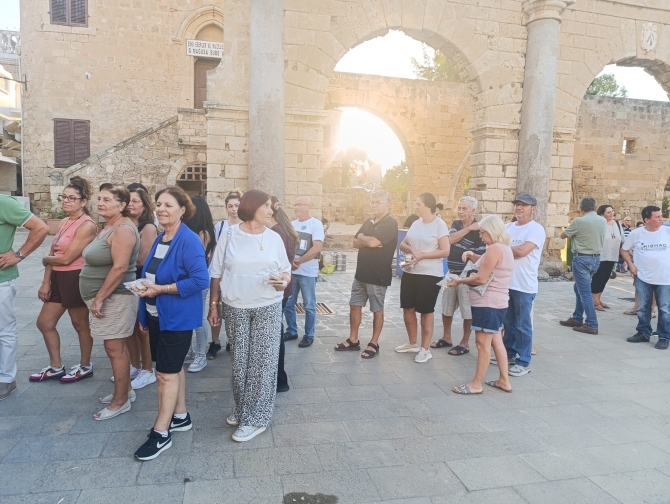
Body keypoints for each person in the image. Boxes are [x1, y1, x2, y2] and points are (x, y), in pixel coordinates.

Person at [208, 189, 291, 442]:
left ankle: (256, 418)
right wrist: (214, 305)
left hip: (268, 305)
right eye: (266, 206)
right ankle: (243, 408)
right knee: (240, 364)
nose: (270, 210)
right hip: (235, 306)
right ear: (252, 207)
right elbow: (216, 271)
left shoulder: (274, 237)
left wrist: (283, 281)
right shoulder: (230, 234)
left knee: (263, 364)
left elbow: (285, 270)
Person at [133, 187, 209, 460]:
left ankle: (161, 433)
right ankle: (181, 416)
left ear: (182, 210)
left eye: (168, 205)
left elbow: (201, 280)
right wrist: (145, 293)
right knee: (172, 369)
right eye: (159, 204)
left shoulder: (187, 240)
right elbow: (153, 273)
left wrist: (160, 290)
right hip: (157, 315)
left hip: (176, 318)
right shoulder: (162, 237)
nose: (161, 209)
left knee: (164, 374)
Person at [80, 184, 139, 420]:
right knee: (116, 348)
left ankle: (120, 401)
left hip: (115, 299)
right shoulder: (109, 227)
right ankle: (127, 391)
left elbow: (120, 267)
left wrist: (100, 298)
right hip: (106, 298)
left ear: (122, 205)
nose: (100, 203)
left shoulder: (123, 229)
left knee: (114, 349)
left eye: (107, 199)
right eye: (100, 198)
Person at [31, 177, 97, 384]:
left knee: (80, 324)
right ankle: (56, 367)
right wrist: (46, 281)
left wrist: (44, 259)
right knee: (44, 323)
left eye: (72, 198)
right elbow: (54, 251)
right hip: (58, 276)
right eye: (64, 197)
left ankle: (85, 366)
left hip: (74, 277)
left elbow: (68, 258)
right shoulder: (64, 221)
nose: (66, 201)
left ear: (83, 201)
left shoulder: (87, 225)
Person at [449, 215, 514, 395]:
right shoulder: (504, 248)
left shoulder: (493, 248)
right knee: (496, 341)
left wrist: (459, 280)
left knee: (482, 344)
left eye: (483, 232)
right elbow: (487, 263)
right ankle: (504, 380)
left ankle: (476, 384)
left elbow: (481, 278)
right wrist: (472, 256)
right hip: (498, 302)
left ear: (492, 231)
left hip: (488, 304)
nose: (481, 237)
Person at [334, 190, 398, 358]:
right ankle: (353, 339)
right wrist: (365, 238)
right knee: (354, 306)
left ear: (388, 205)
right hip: (360, 274)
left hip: (378, 275)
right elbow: (355, 242)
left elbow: (373, 241)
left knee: (377, 309)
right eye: (372, 202)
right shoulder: (368, 222)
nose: (374, 205)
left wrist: (367, 240)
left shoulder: (390, 223)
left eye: (378, 202)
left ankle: (374, 343)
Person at [0, 195, 49, 399]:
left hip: (1, 279)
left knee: (3, 329)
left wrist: (18, 255)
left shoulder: (3, 202)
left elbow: (41, 227)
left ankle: (6, 379)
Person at [395, 193, 450, 363]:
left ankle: (425, 349)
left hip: (430, 274)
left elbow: (445, 250)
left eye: (418, 203)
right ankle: (412, 343)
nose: (416, 206)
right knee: (408, 309)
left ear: (427, 206)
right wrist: (413, 251)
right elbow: (404, 244)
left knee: (426, 312)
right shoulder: (415, 223)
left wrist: (423, 255)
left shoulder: (439, 225)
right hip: (411, 271)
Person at [430, 196, 485, 355]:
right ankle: (446, 337)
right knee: (446, 307)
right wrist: (468, 228)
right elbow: (450, 240)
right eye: (459, 208)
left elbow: (481, 255)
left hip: (467, 276)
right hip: (451, 272)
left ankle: (465, 343)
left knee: (467, 311)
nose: (460, 211)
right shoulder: (456, 224)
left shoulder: (480, 230)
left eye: (464, 209)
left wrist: (470, 252)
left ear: (473, 210)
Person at [502, 193, 546, 377]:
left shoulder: (536, 229)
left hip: (524, 285)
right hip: (505, 283)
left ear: (533, 209)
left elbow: (522, 251)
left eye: (524, 205)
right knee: (508, 322)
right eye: (517, 204)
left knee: (523, 325)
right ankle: (509, 354)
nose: (519, 208)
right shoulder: (507, 227)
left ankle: (524, 361)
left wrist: (501, 248)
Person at [621, 205, 670, 350]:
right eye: (657, 217)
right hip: (642, 277)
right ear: (647, 219)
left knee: (665, 308)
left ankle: (664, 336)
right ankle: (643, 332)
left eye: (661, 216)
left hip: (665, 278)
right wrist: (631, 265)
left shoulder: (667, 232)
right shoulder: (636, 234)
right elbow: (624, 250)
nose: (661, 219)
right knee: (643, 307)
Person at [124, 186, 158, 389]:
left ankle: (147, 369)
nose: (131, 204)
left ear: (145, 205)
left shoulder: (148, 228)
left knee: (142, 328)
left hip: (138, 281)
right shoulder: (124, 225)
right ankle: (134, 365)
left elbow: (143, 259)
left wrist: (117, 259)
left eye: (136, 201)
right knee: (129, 327)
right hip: (124, 280)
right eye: (128, 200)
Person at [559, 197, 606, 335]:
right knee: (578, 287)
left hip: (582, 258)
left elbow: (563, 235)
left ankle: (591, 323)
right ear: (595, 207)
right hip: (596, 259)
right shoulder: (602, 220)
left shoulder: (579, 221)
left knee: (584, 292)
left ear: (581, 208)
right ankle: (577, 318)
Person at [284, 196, 324, 348]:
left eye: (299, 204)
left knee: (309, 305)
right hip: (292, 271)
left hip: (307, 272)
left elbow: (316, 248)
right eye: (295, 204)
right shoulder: (291, 225)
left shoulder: (316, 224)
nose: (296, 207)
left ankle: (309, 335)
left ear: (308, 206)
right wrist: (290, 262)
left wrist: (299, 262)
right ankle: (292, 330)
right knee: (289, 302)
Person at [208, 190, 242, 358]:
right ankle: (215, 341)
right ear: (226, 208)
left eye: (237, 205)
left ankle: (231, 340)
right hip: (220, 273)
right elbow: (215, 251)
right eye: (230, 206)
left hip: (236, 274)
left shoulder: (246, 226)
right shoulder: (220, 226)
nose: (234, 209)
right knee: (216, 306)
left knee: (233, 308)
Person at [268, 196, 297, 392]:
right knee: (276, 332)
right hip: (284, 287)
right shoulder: (284, 229)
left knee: (274, 334)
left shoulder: (275, 232)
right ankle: (279, 378)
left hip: (278, 287)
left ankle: (279, 379)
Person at [184, 195, 216, 373]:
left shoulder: (203, 232)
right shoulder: (191, 230)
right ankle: (190, 351)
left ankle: (200, 355)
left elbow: (195, 257)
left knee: (198, 319)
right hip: (188, 279)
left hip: (197, 279)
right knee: (189, 317)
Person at [591, 205, 624, 311]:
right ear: (602, 214)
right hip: (600, 255)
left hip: (612, 255)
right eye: (608, 212)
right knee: (598, 278)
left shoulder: (617, 224)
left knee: (605, 278)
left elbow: (622, 239)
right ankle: (594, 301)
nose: (611, 214)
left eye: (612, 211)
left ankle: (598, 299)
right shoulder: (599, 224)